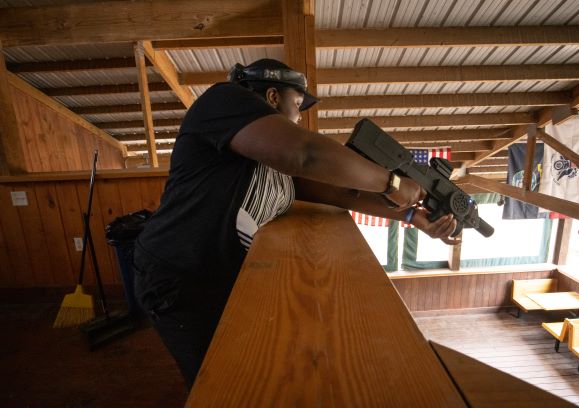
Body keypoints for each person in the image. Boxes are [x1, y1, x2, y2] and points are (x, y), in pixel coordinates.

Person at [133, 58, 460, 390]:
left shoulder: (264, 154)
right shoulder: (224, 99)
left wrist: (409, 216)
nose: (300, 115)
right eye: (298, 104)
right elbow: (306, 154)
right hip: (181, 277)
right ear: (273, 97)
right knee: (220, 387)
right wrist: (390, 182)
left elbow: (329, 190)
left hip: (221, 277)